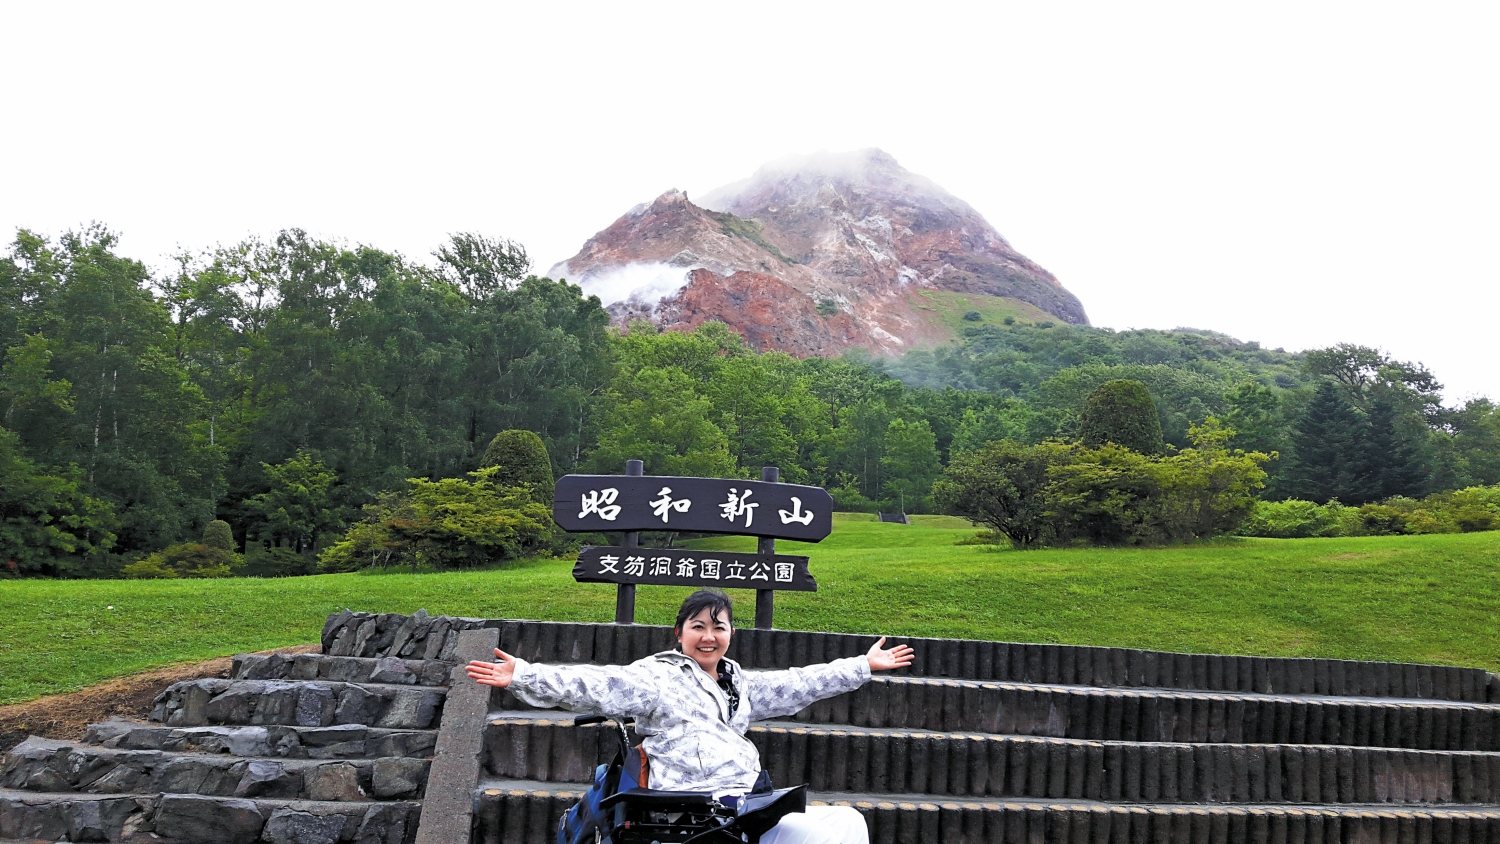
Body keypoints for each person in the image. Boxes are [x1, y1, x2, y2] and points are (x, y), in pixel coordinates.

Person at [466, 588, 915, 844]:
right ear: (679, 634)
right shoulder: (659, 676)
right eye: (698, 626)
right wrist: (524, 676)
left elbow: (798, 683)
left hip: (745, 802)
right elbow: (598, 685)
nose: (709, 636)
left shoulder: (738, 682)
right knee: (813, 838)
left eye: (718, 626)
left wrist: (862, 666)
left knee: (849, 821)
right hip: (695, 805)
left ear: (731, 634)